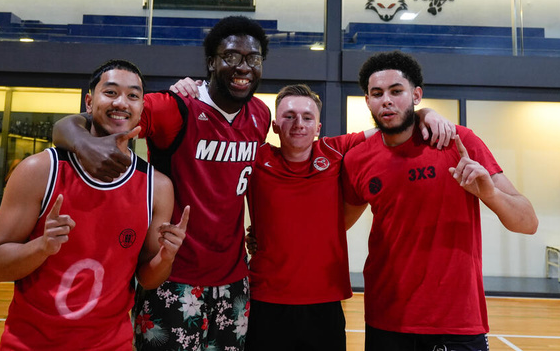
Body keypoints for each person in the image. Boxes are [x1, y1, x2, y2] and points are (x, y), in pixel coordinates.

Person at [169, 80, 455, 351]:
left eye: (307, 118)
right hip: (266, 301)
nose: (299, 124)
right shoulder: (255, 158)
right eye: (289, 116)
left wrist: (424, 113)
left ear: (318, 127)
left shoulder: (334, 151)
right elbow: (212, 139)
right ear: (275, 126)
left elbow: (389, 125)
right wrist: (191, 91)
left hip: (325, 303)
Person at [51, 16, 272, 351]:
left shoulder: (260, 113)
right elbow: (71, 124)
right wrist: (85, 145)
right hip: (172, 277)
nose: (243, 67)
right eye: (231, 57)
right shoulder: (175, 107)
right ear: (211, 63)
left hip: (234, 281)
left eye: (253, 59)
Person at [0, 59, 189, 351]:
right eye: (111, 92)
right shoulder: (39, 170)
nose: (122, 102)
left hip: (111, 344)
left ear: (142, 109)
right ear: (89, 101)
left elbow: (147, 276)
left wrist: (167, 257)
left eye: (133, 96)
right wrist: (41, 247)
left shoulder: (157, 187)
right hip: (30, 344)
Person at [341, 51, 539, 351]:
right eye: (377, 93)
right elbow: (336, 225)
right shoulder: (357, 159)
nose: (387, 100)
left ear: (416, 95)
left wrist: (490, 195)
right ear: (367, 101)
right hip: (387, 317)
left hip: (456, 320)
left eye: (397, 91)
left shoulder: (460, 142)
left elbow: (528, 223)